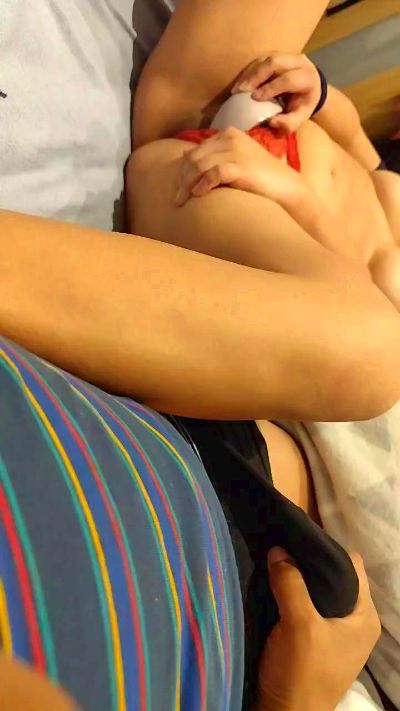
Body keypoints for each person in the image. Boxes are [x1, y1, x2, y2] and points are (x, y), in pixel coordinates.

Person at [0, 0, 393, 709]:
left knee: (372, 355)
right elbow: (371, 166)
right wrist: (322, 98)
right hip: (272, 160)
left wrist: (293, 195)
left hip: (234, 204)